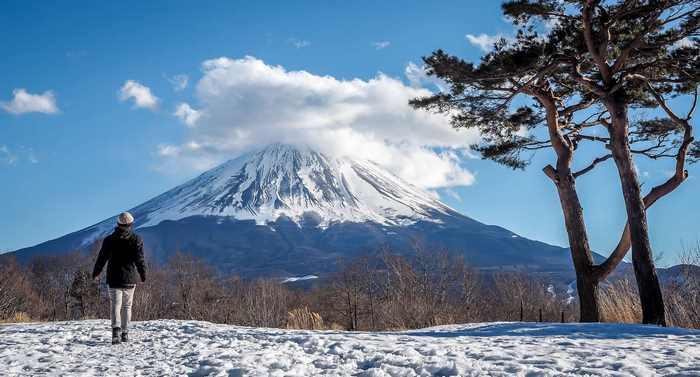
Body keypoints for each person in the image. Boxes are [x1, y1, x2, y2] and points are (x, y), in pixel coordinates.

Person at [92, 211, 146, 345]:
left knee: (115, 305)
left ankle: (115, 332)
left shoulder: (109, 240)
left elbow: (101, 258)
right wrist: (143, 273)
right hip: (130, 278)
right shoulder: (136, 239)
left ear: (117, 224)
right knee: (127, 306)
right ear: (131, 224)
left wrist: (96, 272)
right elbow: (140, 260)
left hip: (113, 277)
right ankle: (125, 333)